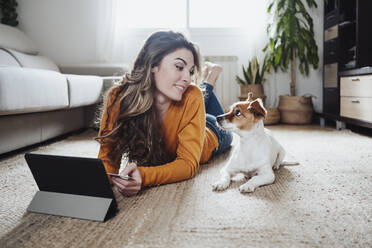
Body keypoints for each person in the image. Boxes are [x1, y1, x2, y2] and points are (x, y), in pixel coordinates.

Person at [96, 31, 232, 197]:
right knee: (195, 97)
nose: (187, 78)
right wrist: (107, 178)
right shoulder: (118, 97)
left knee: (205, 103)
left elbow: (188, 165)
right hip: (190, 113)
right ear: (153, 64)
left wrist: (144, 176)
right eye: (179, 67)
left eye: (190, 71)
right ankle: (206, 83)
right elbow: (107, 158)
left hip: (213, 132)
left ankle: (210, 80)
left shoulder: (191, 95)